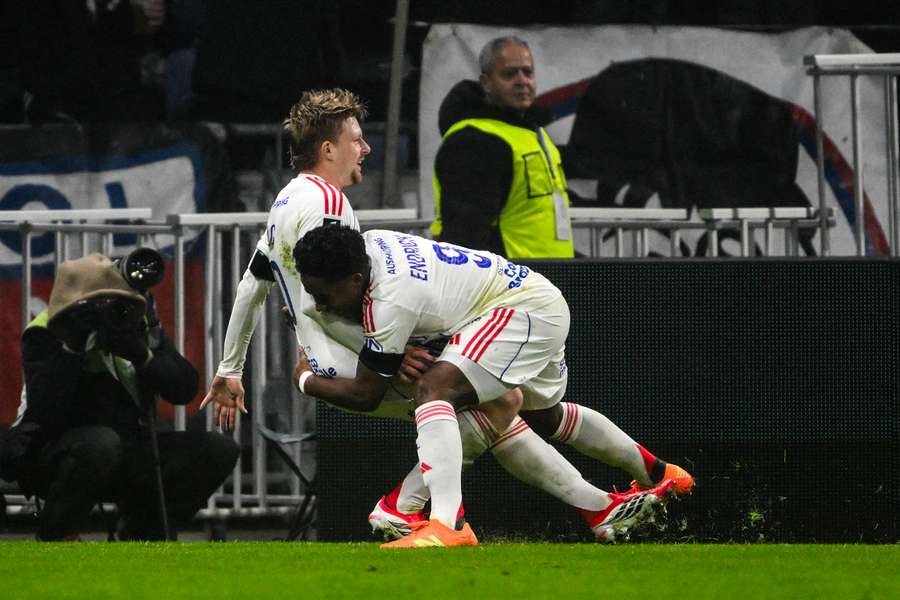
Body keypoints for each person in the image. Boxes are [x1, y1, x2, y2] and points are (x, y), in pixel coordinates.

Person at [200, 89, 653, 544]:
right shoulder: (330, 207)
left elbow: (252, 285)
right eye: (356, 139)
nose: (366, 148)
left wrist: (229, 368)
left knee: (496, 406)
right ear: (328, 149)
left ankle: (597, 507)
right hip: (345, 352)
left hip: (332, 352)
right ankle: (425, 516)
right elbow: (339, 292)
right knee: (486, 404)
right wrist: (377, 346)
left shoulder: (287, 199)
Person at [291, 225, 694, 548]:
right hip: (533, 300)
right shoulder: (371, 244)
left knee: (434, 389)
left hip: (518, 310)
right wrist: (389, 348)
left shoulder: (390, 300)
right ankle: (658, 473)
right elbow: (362, 311)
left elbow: (366, 394)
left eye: (324, 294)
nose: (320, 303)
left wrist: (305, 380)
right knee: (542, 415)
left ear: (356, 278)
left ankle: (445, 523)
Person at [0, 253, 238, 540]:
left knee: (217, 449)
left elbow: (184, 388)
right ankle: (57, 534)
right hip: (52, 452)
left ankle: (142, 532)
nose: (110, 312)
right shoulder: (45, 331)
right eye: (99, 305)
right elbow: (45, 412)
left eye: (117, 303)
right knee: (101, 443)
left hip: (126, 447)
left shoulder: (136, 326)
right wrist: (76, 346)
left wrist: (142, 355)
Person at [430, 36, 574, 259]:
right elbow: (465, 235)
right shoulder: (474, 141)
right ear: (486, 83)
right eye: (509, 74)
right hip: (511, 284)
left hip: (546, 280)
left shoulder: (533, 132)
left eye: (528, 72)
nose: (522, 81)